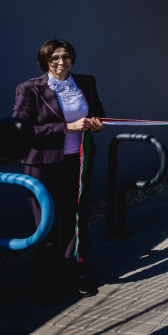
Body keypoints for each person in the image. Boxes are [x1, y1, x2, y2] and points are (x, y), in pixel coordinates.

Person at [13, 39, 105, 303]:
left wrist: (96, 123)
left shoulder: (86, 82)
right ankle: (47, 283)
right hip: (42, 165)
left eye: (66, 56)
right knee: (46, 224)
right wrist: (66, 127)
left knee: (76, 220)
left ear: (72, 58)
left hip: (78, 161)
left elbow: (98, 112)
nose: (61, 62)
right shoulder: (29, 88)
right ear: (45, 61)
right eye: (54, 58)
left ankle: (76, 275)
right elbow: (22, 129)